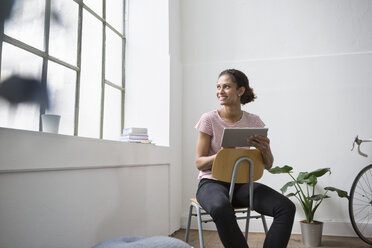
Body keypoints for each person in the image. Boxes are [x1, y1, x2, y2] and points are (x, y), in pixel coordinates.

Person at [195, 69, 295, 248]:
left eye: (226, 86)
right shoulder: (209, 119)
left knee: (286, 207)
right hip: (211, 183)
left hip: (242, 184)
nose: (220, 91)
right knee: (220, 207)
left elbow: (269, 164)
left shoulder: (254, 121)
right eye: (218, 87)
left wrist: (266, 149)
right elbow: (199, 162)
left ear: (240, 91)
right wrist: (222, 155)